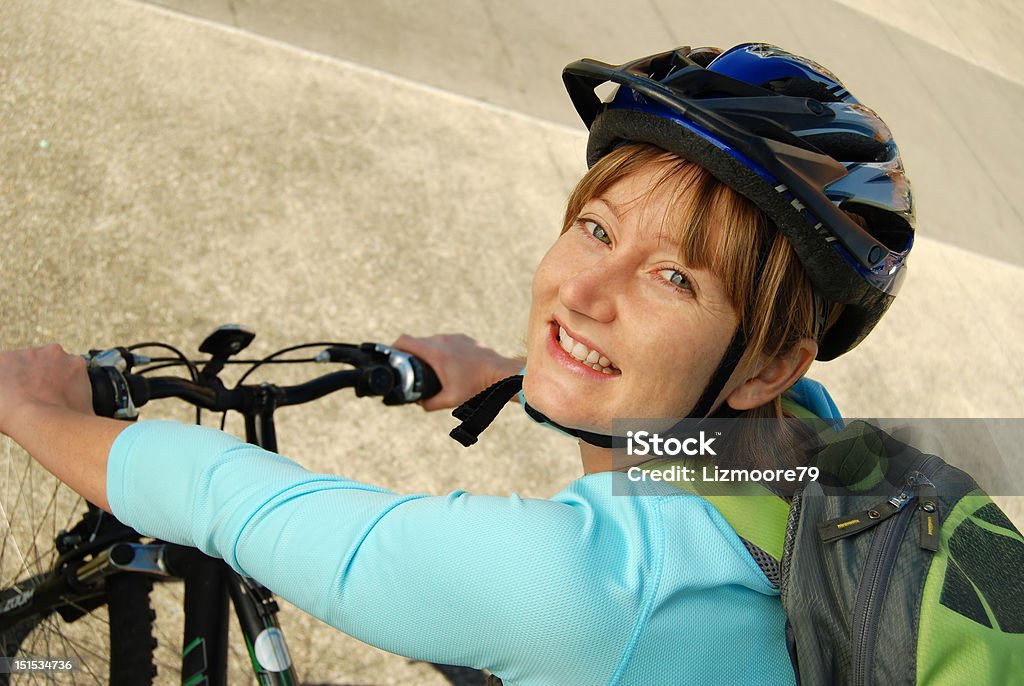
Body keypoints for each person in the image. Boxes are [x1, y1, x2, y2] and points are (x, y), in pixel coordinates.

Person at [0, 44, 918, 684]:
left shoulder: (587, 593)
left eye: (675, 278)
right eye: (595, 229)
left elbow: (232, 501)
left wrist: (36, 410)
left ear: (763, 368)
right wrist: (500, 376)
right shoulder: (817, 438)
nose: (583, 293)